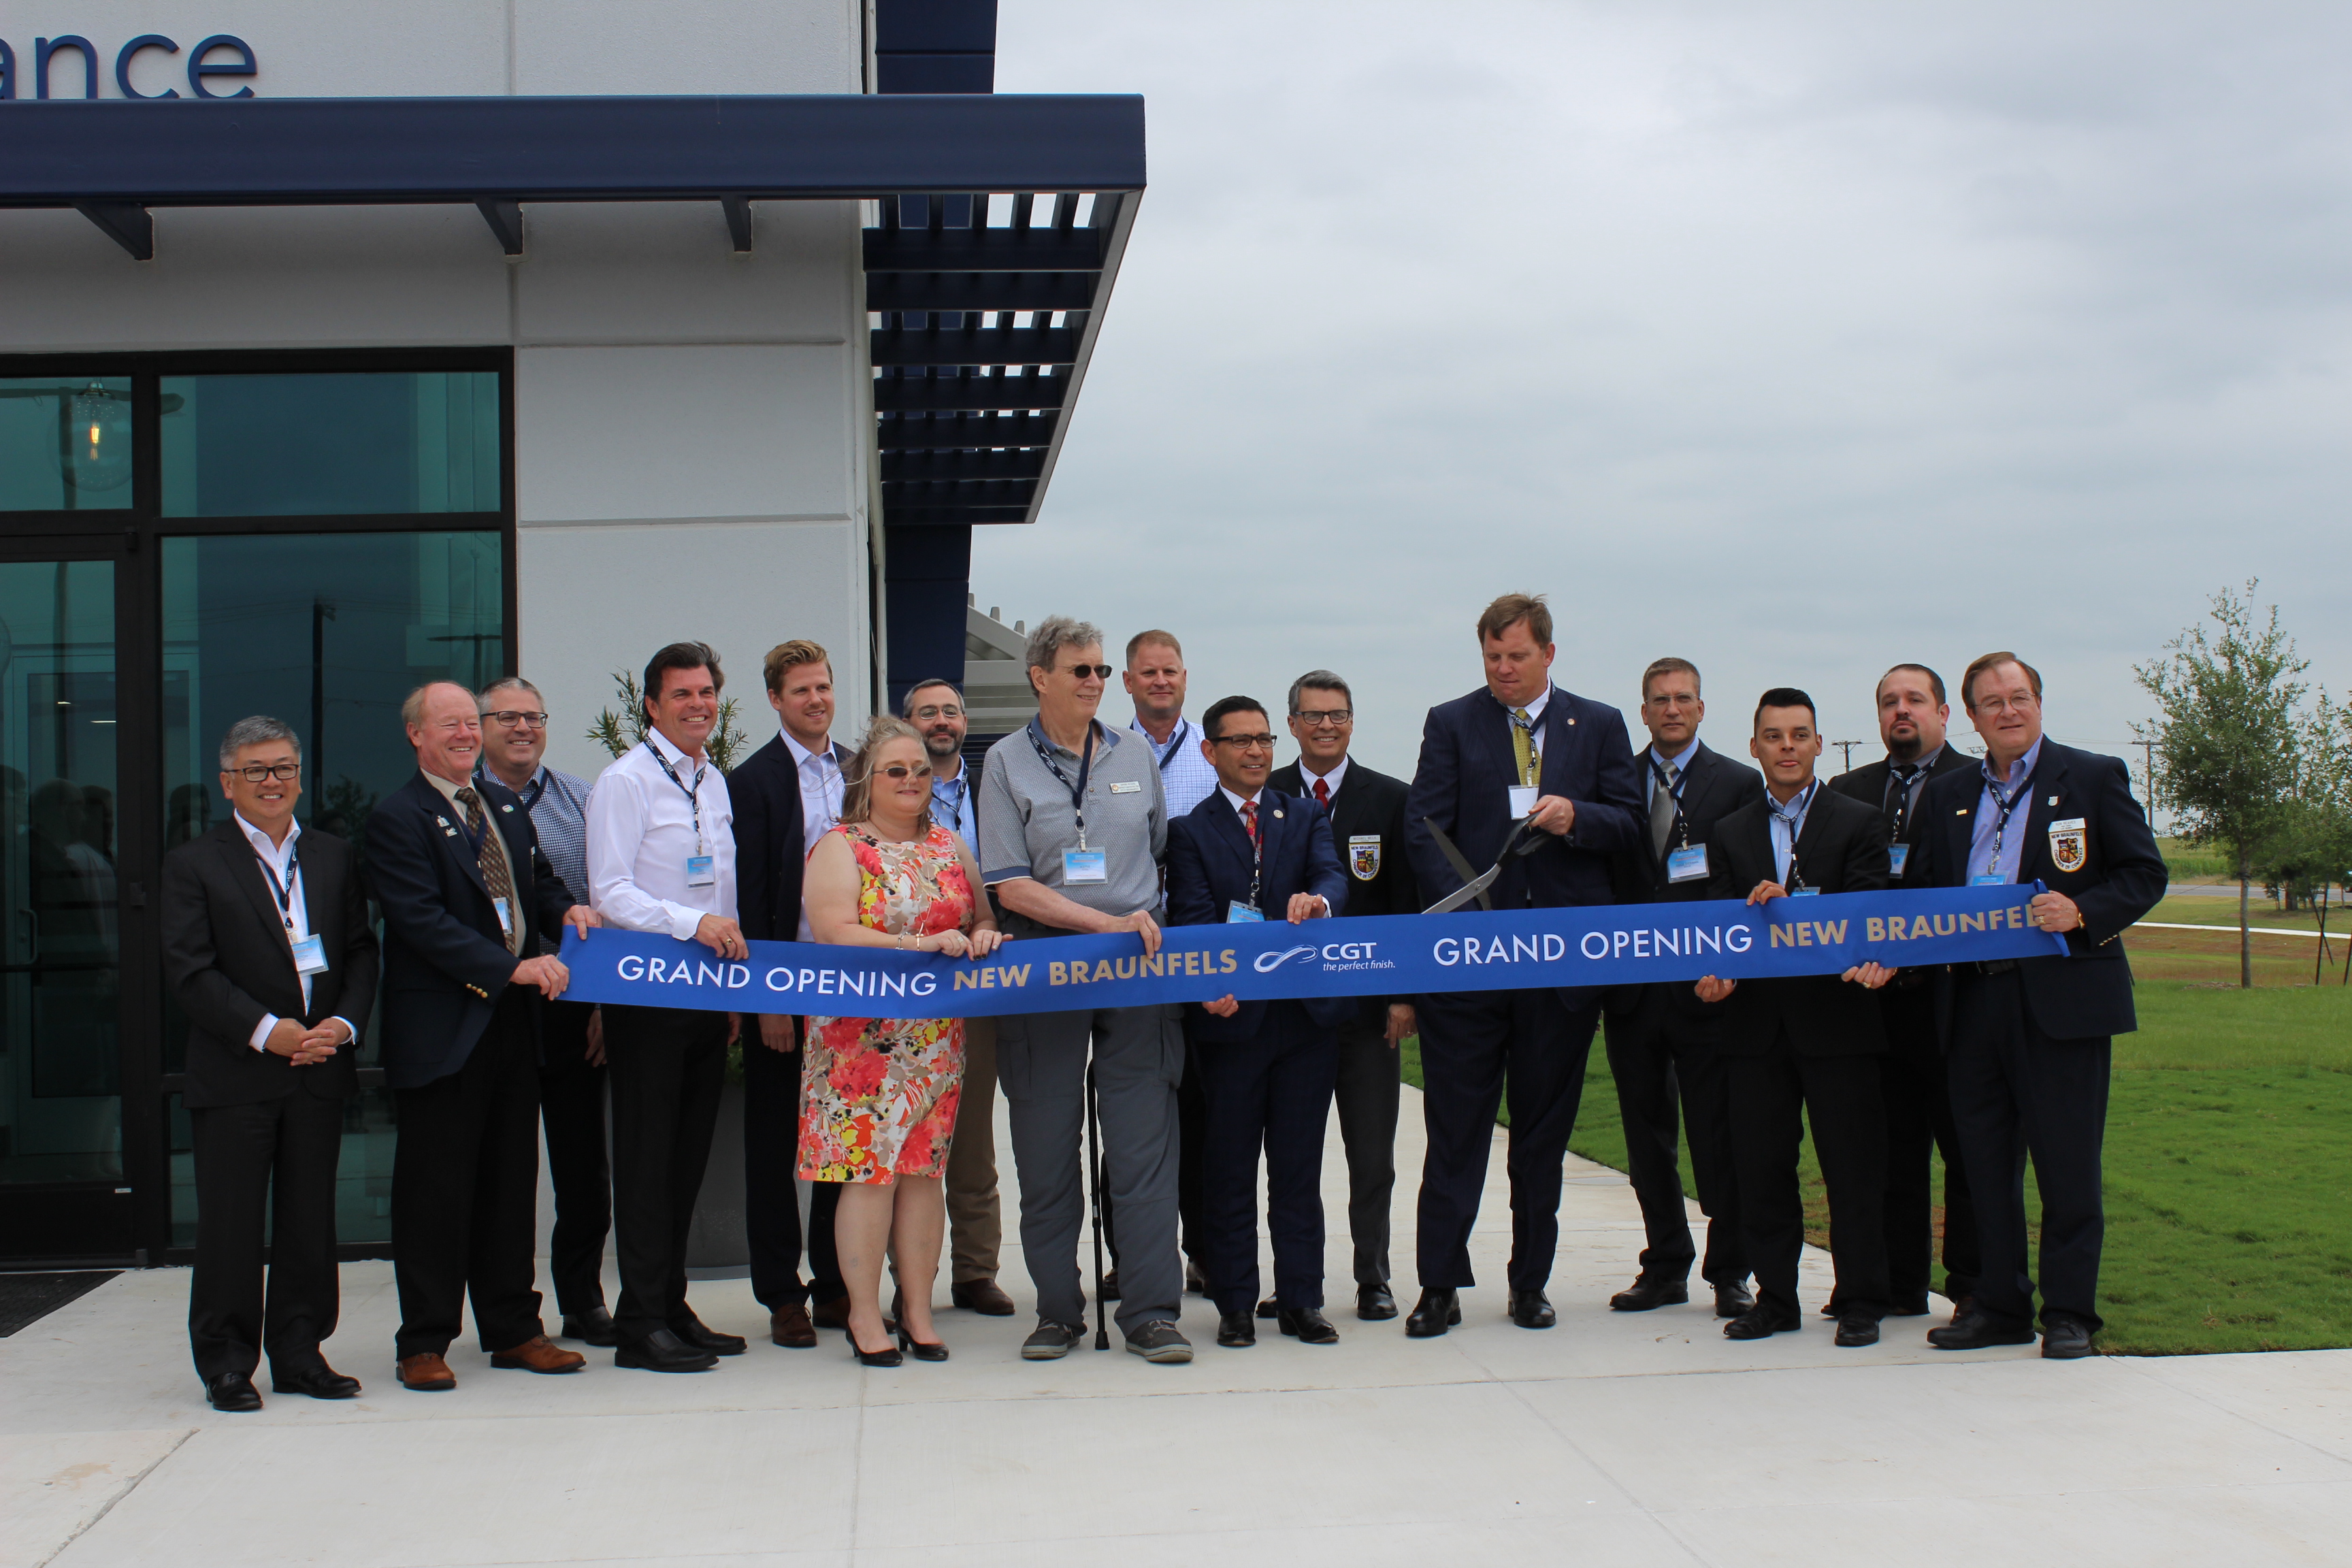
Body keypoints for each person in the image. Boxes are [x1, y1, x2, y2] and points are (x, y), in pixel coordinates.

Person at [1401, 593, 1643, 1336]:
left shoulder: (1597, 725)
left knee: (1541, 1142)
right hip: (1471, 972)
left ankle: (1529, 1283)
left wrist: (1579, 818)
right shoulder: (1452, 722)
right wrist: (1473, 913)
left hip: (1559, 976)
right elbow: (1422, 825)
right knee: (1457, 1135)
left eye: (1517, 656)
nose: (1504, 669)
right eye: (1492, 658)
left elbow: (1630, 825)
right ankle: (1438, 1285)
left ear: (1549, 654)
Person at [1916, 653, 2165, 1359]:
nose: (2008, 711)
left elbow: (2145, 873)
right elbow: (1927, 894)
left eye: (2019, 697)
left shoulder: (2089, 778)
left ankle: (2070, 1315)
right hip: (1971, 1003)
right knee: (1983, 1168)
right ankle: (1997, 1305)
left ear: (2039, 703)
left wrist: (2082, 910)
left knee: (2067, 1164)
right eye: (1991, 703)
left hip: (2061, 1003)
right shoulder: (1951, 793)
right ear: (1970, 717)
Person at [366, 682, 598, 1390]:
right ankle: (425, 1340)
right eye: (452, 725)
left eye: (472, 723)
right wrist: (514, 967)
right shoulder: (398, 818)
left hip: (510, 1026)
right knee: (435, 1191)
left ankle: (513, 1328)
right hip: (445, 1030)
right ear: (417, 735)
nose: (468, 735)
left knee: (508, 1184)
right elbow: (423, 924)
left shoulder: (498, 805)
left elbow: (539, 882)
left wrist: (571, 913)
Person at [977, 615, 1192, 1364]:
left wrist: (1121, 928)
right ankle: (1058, 1312)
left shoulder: (1135, 754)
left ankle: (1152, 1311)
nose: (1097, 683)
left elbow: (1159, 853)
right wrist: (1093, 924)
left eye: (1102, 670)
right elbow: (1006, 882)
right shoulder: (1004, 762)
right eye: (1082, 671)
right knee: (1045, 1145)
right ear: (1040, 677)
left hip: (1135, 972)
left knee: (1142, 1146)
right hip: (1045, 968)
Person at [163, 717, 378, 1412]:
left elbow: (360, 952)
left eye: (283, 767)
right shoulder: (195, 862)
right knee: (230, 1225)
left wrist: (340, 1026)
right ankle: (227, 1364)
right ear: (228, 782)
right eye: (256, 770)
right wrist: (268, 1033)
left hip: (319, 1065)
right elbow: (191, 974)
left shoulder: (332, 856)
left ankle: (299, 1352)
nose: (272, 781)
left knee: (309, 1221)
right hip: (238, 1073)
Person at [1694, 689, 1897, 1348]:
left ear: (1817, 744)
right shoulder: (1730, 833)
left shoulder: (1860, 821)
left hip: (1838, 1025)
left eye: (1799, 735)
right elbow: (1724, 932)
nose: (1786, 747)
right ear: (1754, 748)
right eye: (1773, 736)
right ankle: (1777, 1299)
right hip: (1755, 1030)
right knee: (1762, 1171)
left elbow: (1868, 915)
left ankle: (1863, 1299)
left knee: (1854, 1169)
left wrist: (1797, 911)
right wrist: (1717, 978)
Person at [801, 716, 1004, 1365]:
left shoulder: (950, 845)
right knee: (870, 1177)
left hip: (937, 1040)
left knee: (923, 1175)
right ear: (867, 779)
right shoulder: (840, 845)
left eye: (920, 770)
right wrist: (918, 945)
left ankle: (917, 1310)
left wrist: (984, 935)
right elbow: (833, 930)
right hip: (859, 1043)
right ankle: (864, 1315)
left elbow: (981, 914)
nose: (912, 780)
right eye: (896, 770)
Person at [585, 642, 753, 1372]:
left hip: (707, 997)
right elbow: (610, 892)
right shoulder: (625, 782)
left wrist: (735, 985)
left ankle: (668, 1302)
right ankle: (639, 1322)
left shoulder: (711, 780)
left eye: (707, 692)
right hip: (648, 996)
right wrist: (694, 927)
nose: (698, 705)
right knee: (648, 1160)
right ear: (652, 707)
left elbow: (721, 887)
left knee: (686, 1159)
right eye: (682, 695)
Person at [1166, 696, 1352, 1348]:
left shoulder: (1303, 814)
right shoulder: (1190, 831)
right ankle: (1236, 1303)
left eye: (1264, 739)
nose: (1256, 752)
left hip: (1303, 1026)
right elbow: (1188, 917)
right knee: (1230, 1169)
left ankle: (1303, 1300)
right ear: (1210, 752)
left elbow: (1332, 874)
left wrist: (1321, 899)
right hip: (1231, 1025)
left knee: (1298, 1171)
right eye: (1240, 741)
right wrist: (1205, 985)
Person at [1601, 657, 1763, 1320]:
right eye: (1659, 700)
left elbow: (1750, 878)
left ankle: (1731, 1270)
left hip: (1707, 992)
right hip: (1632, 993)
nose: (1672, 709)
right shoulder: (1614, 784)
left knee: (1718, 1136)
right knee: (1648, 1140)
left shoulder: (1739, 782)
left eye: (1684, 699)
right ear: (1643, 711)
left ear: (1701, 709)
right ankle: (1665, 1264)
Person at [1827, 663, 1981, 1323]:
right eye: (1890, 702)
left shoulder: (1979, 783)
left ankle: (1972, 1284)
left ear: (1943, 713)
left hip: (1951, 1003)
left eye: (1915, 700)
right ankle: (1897, 1283)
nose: (1901, 712)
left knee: (1966, 1151)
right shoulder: (1847, 791)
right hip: (1872, 1006)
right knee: (1888, 1152)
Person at [1267, 670, 1418, 1321]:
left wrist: (1404, 995)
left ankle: (1373, 1275)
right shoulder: (1263, 793)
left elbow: (1408, 901)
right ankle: (1295, 1280)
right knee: (1291, 1158)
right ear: (1293, 724)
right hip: (1287, 1013)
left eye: (1338, 715)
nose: (1326, 726)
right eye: (1313, 715)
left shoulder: (1390, 798)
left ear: (1352, 722)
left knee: (1371, 1153)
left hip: (1366, 1011)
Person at [475, 675, 614, 1347]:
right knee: (499, 1169)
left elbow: (598, 901)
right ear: (479, 727)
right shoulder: (461, 801)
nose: (523, 728)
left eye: (533, 717)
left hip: (569, 1004)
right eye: (507, 718)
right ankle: (503, 1312)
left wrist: (600, 1000)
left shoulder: (579, 800)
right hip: (491, 1007)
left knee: (582, 1167)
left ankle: (582, 1301)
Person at [728, 640, 851, 1348]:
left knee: (841, 1137)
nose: (816, 700)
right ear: (776, 699)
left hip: (854, 981)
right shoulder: (752, 782)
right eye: (801, 691)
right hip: (787, 978)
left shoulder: (859, 772)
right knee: (776, 1143)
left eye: (824, 688)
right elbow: (749, 898)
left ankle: (837, 1285)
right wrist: (766, 999)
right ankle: (783, 1293)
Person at [904, 677, 1015, 1316]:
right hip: (908, 986)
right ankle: (908, 1275)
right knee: (909, 1136)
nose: (941, 721)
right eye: (927, 713)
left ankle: (976, 1271)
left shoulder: (988, 788)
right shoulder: (886, 798)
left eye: (950, 711)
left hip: (982, 979)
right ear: (907, 723)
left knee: (972, 1138)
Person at [1124, 630, 1220, 819]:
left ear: (1184, 679)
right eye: (1149, 673)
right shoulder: (1109, 755)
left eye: (1169, 672)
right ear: (1128, 682)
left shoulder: (1216, 751)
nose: (1161, 681)